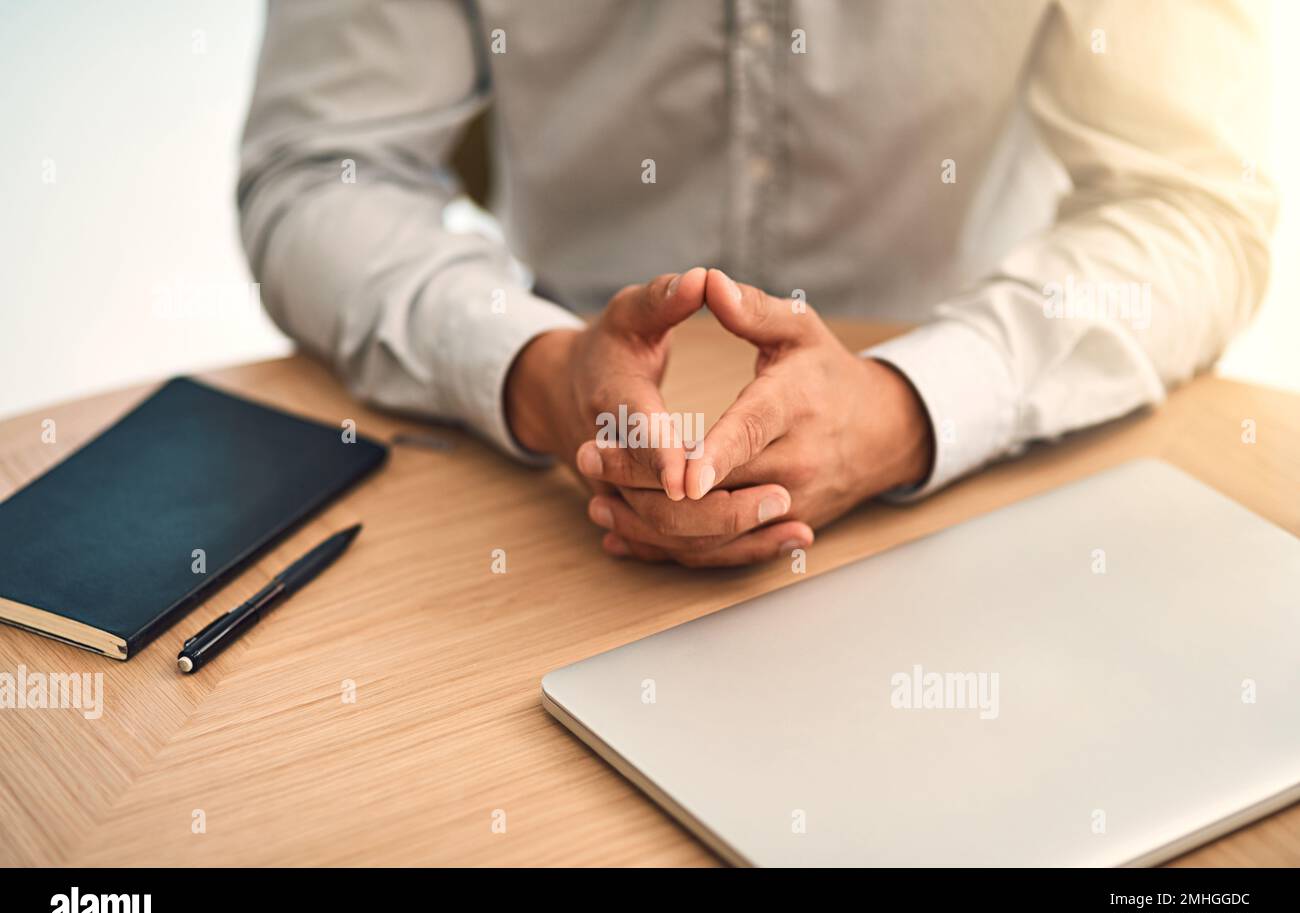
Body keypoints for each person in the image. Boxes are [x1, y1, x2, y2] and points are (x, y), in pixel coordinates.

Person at [238, 1, 1277, 566]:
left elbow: (1194, 205)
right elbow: (324, 167)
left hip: (985, 469)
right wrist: (536, 373)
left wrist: (913, 404)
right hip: (546, 498)